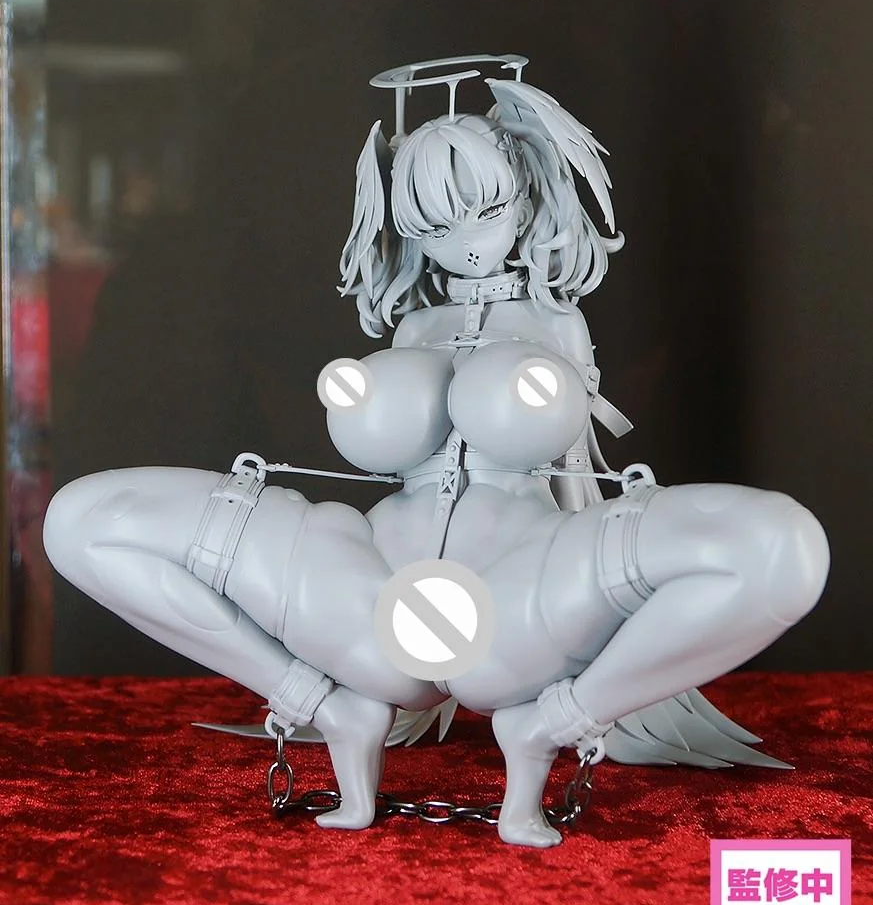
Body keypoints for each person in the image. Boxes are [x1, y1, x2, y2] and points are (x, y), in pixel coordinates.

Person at [43, 58, 829, 847]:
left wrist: (549, 426)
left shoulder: (555, 322)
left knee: (779, 545)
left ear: (525, 198)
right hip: (364, 594)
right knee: (84, 519)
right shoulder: (414, 327)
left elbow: (570, 460)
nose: (465, 244)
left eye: (484, 212)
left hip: (519, 600)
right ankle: (325, 707)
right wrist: (357, 397)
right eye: (432, 229)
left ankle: (548, 725)